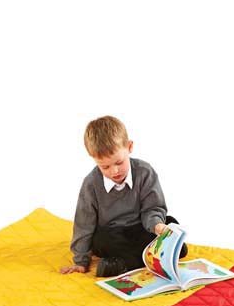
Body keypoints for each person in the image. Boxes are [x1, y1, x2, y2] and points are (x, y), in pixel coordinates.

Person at [60, 115, 187, 277]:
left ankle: (123, 263)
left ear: (129, 147)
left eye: (119, 162)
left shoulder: (145, 172)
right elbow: (84, 224)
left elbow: (153, 208)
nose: (114, 171)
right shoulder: (91, 184)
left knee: (170, 222)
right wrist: (80, 261)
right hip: (113, 235)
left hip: (142, 227)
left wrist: (157, 226)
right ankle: (155, 255)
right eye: (105, 167)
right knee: (100, 239)